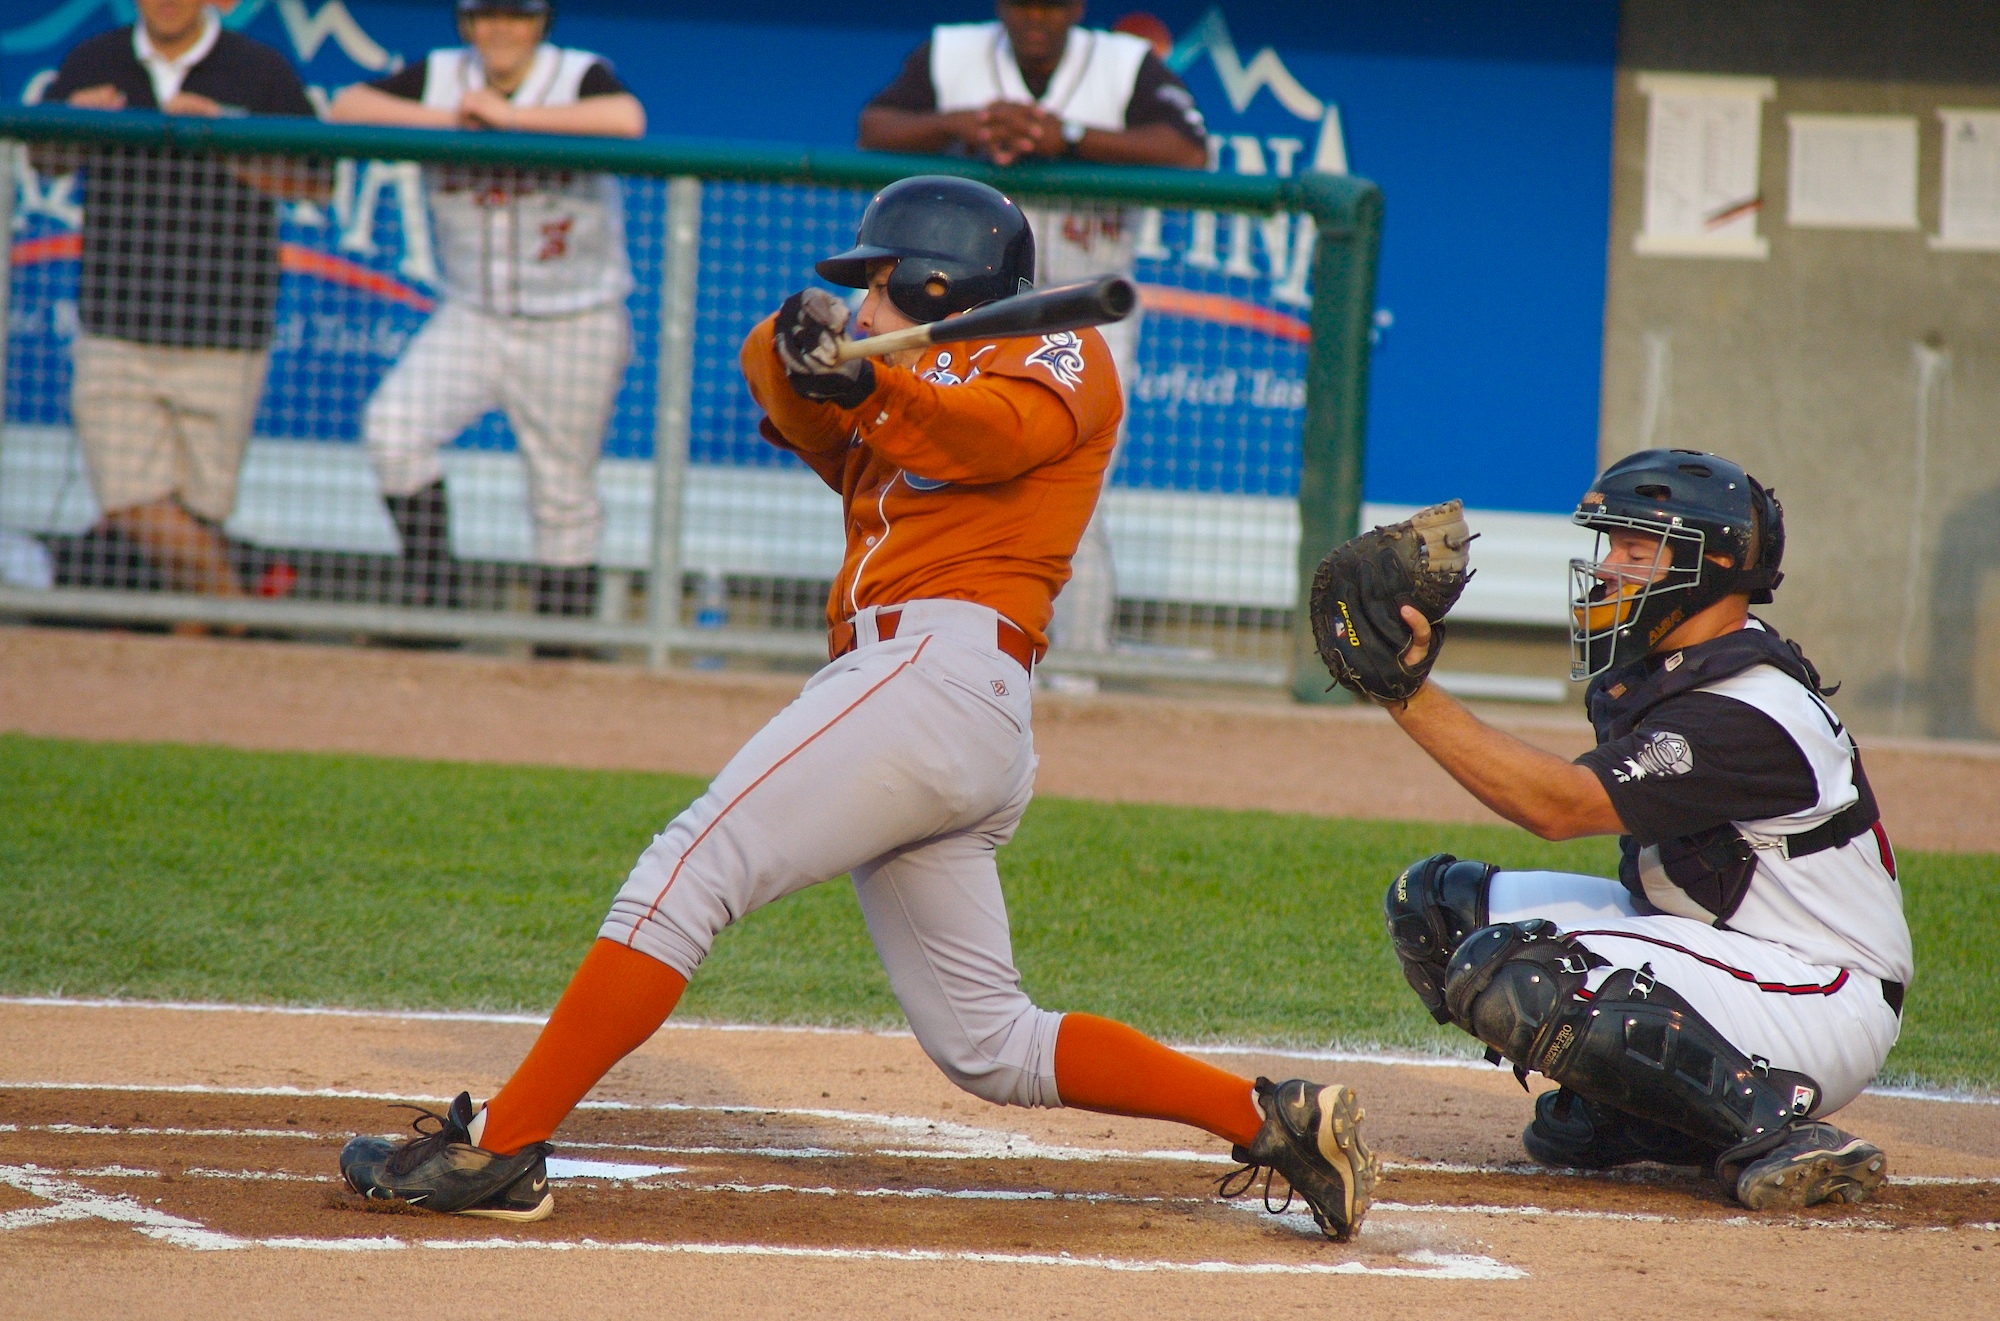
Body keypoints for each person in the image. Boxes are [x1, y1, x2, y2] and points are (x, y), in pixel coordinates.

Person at [337, 177, 1377, 1243]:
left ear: (934, 283)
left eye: (875, 287)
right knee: (989, 1042)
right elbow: (808, 422)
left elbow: (985, 438)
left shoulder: (1054, 350)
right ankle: (1270, 1119)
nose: (863, 307)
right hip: (934, 703)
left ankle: (501, 1146)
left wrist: (870, 389)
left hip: (937, 671)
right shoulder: (901, 375)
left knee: (685, 873)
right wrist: (799, 348)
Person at [1377, 448, 1908, 1210]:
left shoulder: (1752, 709)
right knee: (1437, 908)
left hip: (1818, 992)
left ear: (1710, 564)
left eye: (1636, 550)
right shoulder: (1685, 670)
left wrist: (1406, 693)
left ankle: (1775, 1127)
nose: (1608, 569)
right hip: (1738, 955)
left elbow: (1557, 807)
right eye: (1611, 546)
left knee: (1524, 973)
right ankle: (1649, 1117)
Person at [857, 0, 1208, 677]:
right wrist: (962, 126)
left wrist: (1068, 136)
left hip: (1076, 321)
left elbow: (1188, 151)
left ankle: (1070, 665)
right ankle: (899, 644)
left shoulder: (1124, 64)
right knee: (911, 475)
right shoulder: (952, 53)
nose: (1036, 17)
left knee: (1076, 493)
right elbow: (876, 127)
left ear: (1077, 7)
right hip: (949, 319)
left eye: (1051, 4)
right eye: (1023, 3)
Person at [328, 0, 644, 619]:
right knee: (393, 431)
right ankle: (434, 602)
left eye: (517, 15)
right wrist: (453, 118)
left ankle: (561, 648)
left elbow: (626, 119)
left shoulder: (576, 74)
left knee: (562, 494)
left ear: (541, 23)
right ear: (467, 23)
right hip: (472, 315)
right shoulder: (442, 75)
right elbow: (345, 108)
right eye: (486, 15)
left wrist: (512, 117)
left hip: (574, 320)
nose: (501, 28)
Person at [36, 0, 318, 602]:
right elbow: (44, 159)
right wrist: (69, 122)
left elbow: (316, 181)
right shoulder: (96, 59)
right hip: (117, 322)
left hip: (225, 326)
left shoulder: (260, 69)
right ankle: (238, 617)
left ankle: (199, 657)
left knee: (201, 509)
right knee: (130, 499)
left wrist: (226, 137)